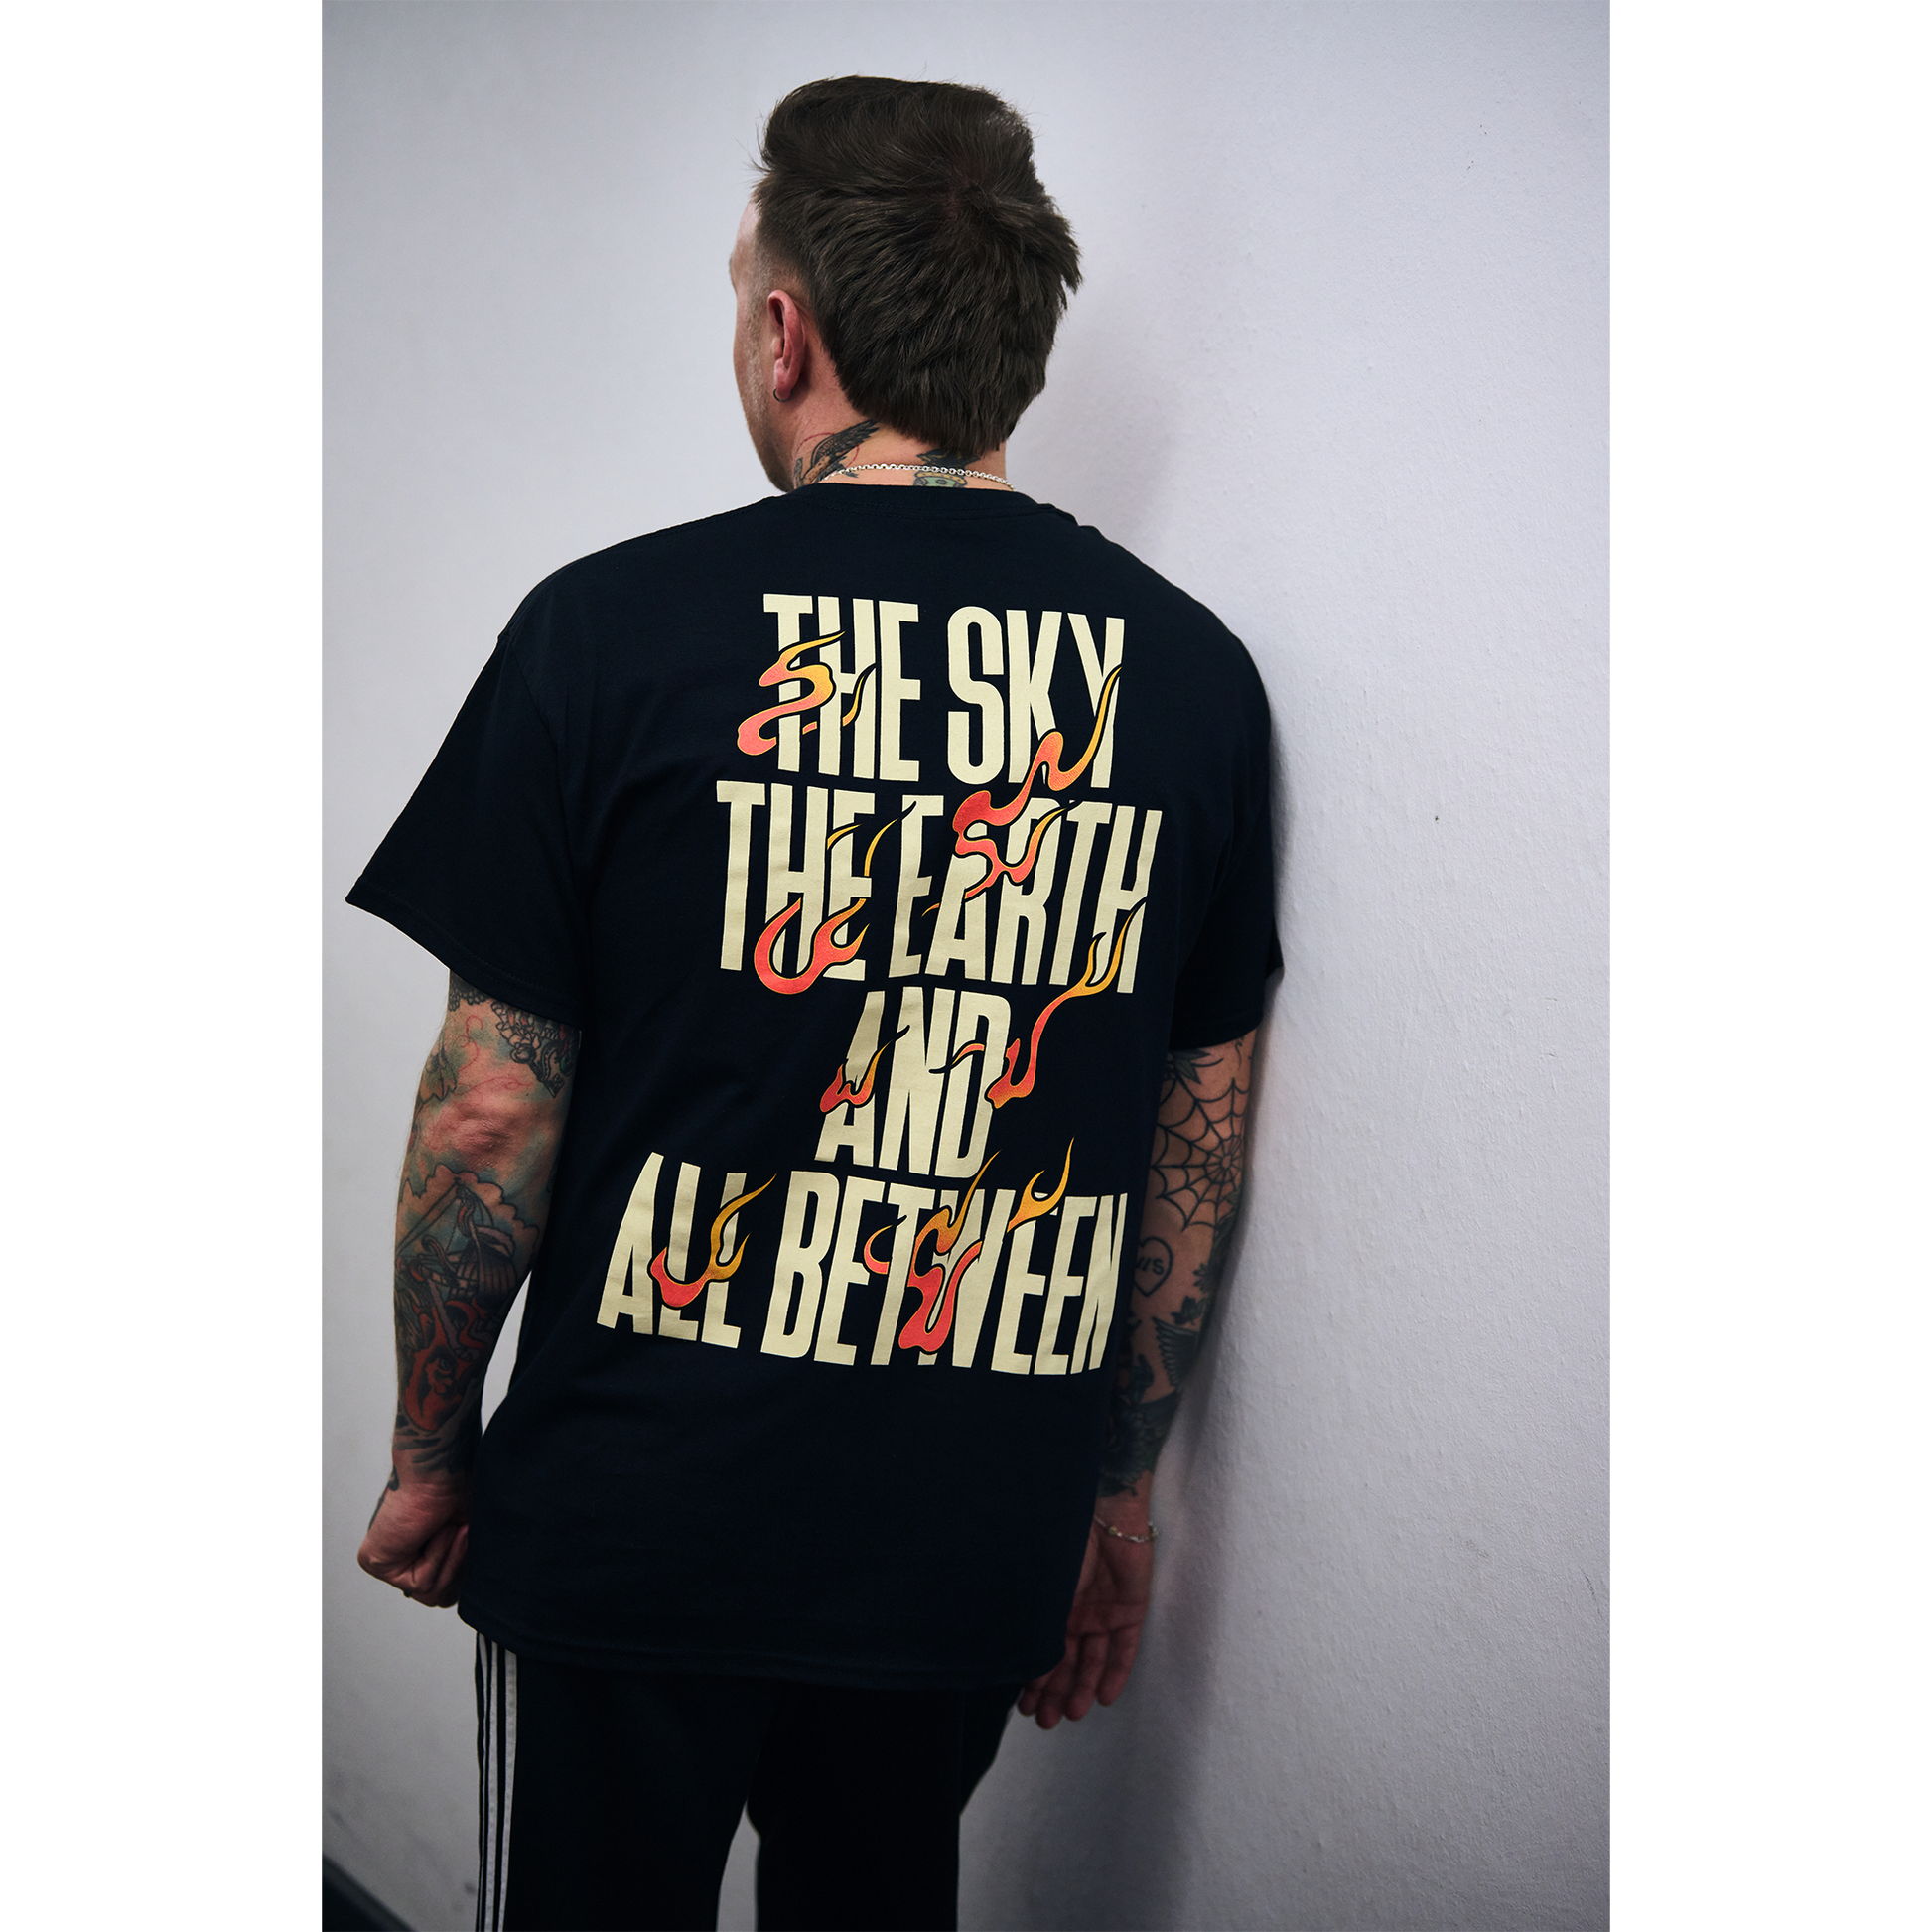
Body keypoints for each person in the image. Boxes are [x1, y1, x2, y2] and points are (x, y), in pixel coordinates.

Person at [348, 74, 1279, 1932]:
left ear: (787, 332)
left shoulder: (605, 633)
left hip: (634, 1525)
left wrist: (434, 1448)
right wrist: (1114, 1492)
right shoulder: (1189, 683)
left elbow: (486, 1111)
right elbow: (1197, 1120)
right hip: (965, 1539)